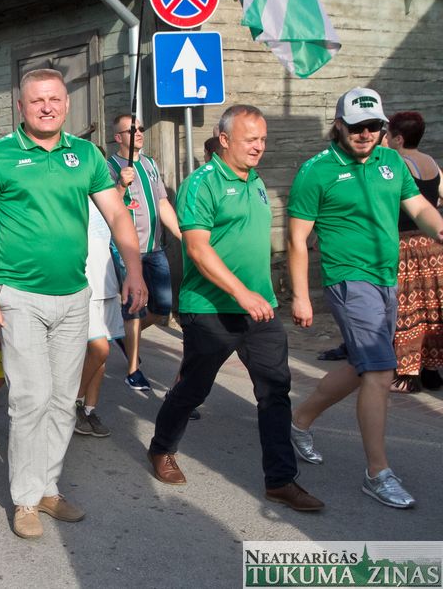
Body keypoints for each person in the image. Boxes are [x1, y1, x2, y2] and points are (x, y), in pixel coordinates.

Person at [0, 69, 146, 540]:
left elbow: (117, 213)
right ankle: (25, 499)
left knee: (64, 400)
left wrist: (135, 270)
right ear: (21, 108)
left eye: (55, 99)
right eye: (37, 100)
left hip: (73, 295)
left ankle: (47, 487)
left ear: (66, 104)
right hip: (18, 294)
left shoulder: (84, 155)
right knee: (31, 397)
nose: (47, 107)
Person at [147, 104, 323, 512]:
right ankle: (161, 448)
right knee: (194, 387)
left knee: (274, 391)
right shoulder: (201, 184)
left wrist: (270, 295)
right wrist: (241, 293)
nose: (258, 147)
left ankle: (280, 480)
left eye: (262, 140)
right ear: (224, 140)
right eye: (250, 140)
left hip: (260, 309)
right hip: (210, 309)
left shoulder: (255, 180)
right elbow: (197, 248)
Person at [288, 88, 443, 509]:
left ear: (383, 127)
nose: (365, 134)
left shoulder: (391, 162)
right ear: (339, 125)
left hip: (387, 278)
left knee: (363, 366)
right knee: (380, 371)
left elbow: (419, 207)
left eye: (373, 126)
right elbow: (298, 239)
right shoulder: (317, 171)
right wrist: (301, 296)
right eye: (356, 127)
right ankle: (378, 473)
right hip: (348, 279)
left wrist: (439, 228)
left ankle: (298, 421)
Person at [107, 114, 181, 392]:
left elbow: (162, 202)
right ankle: (133, 370)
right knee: (134, 308)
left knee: (162, 306)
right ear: (119, 137)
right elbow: (107, 207)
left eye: (140, 128)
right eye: (132, 130)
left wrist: (182, 235)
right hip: (127, 250)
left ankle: (125, 336)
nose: (139, 132)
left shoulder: (150, 164)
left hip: (154, 247)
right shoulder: (110, 167)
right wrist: (120, 185)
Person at [382, 111, 443, 392]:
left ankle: (407, 374)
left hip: (404, 246)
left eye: (388, 134)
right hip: (432, 246)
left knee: (407, 310)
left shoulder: (397, 164)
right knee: (432, 309)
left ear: (398, 138)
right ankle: (431, 370)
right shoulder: (430, 162)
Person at [76, 198, 124, 438]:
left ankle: (88, 409)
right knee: (99, 350)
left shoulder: (106, 196)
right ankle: (71, 402)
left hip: (107, 285)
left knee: (100, 359)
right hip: (83, 285)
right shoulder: (73, 193)